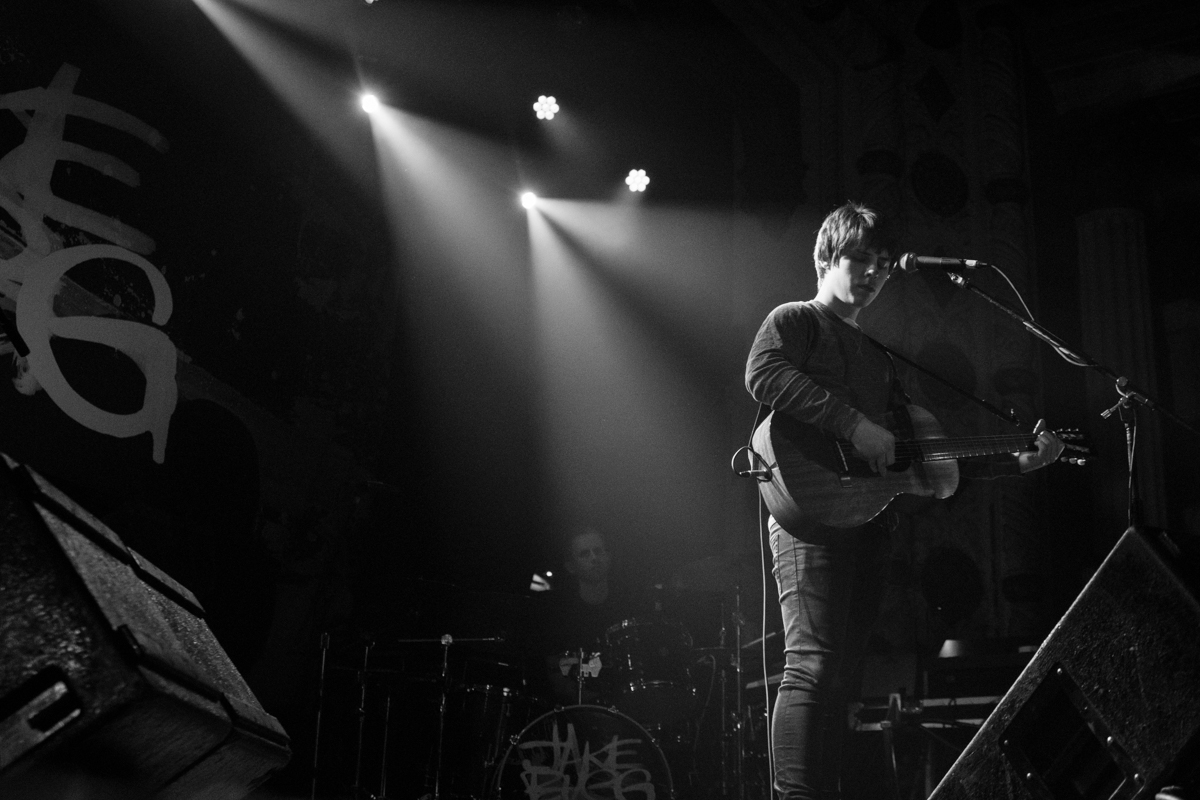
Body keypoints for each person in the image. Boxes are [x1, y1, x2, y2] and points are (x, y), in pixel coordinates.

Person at [744, 201, 1064, 799]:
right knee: (809, 666)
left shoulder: (878, 356)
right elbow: (763, 374)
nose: (873, 272)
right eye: (860, 258)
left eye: (884, 264)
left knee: (841, 677)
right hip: (807, 514)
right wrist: (854, 427)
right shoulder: (795, 319)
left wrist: (1020, 461)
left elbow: (924, 466)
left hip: (865, 521)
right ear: (825, 257)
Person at [528, 526, 645, 706]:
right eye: (584, 554)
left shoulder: (630, 604)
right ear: (571, 567)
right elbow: (555, 673)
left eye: (598, 551)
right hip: (575, 709)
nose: (594, 558)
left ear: (609, 556)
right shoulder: (559, 613)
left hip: (628, 704)